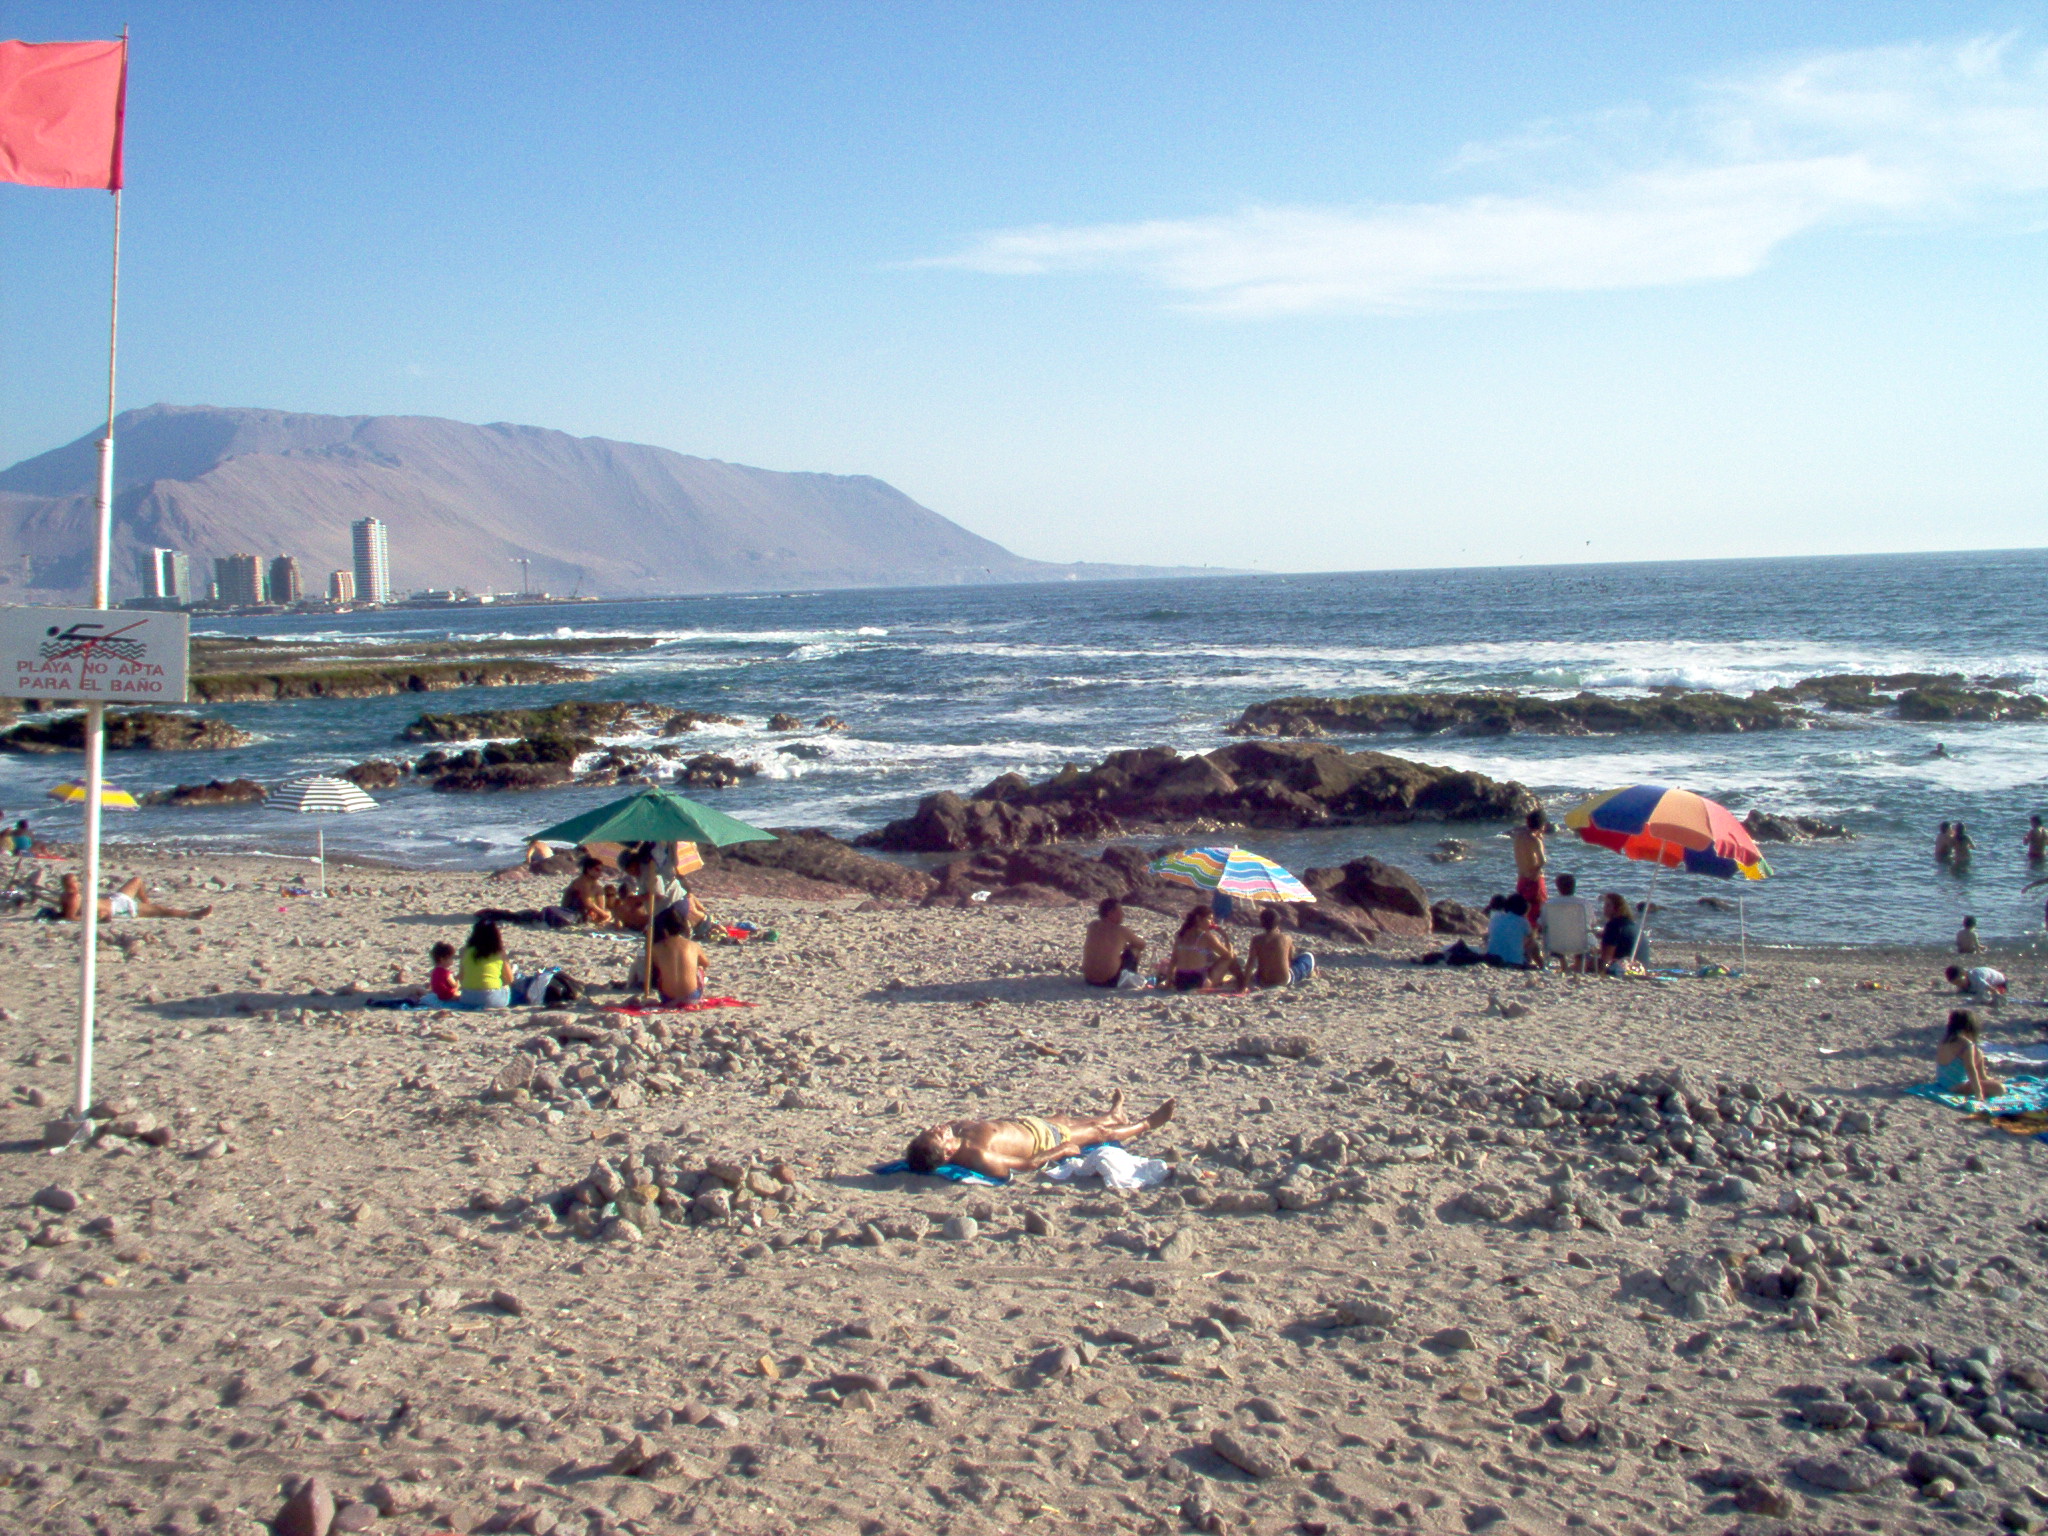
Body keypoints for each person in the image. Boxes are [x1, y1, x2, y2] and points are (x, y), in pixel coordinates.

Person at [904, 1089, 1176, 1180]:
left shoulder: (958, 1133)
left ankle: (1113, 1115)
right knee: (1097, 1133)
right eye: (937, 1134)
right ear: (949, 1151)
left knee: (1065, 1119)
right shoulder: (978, 1155)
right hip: (1046, 1141)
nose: (937, 1128)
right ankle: (1147, 1124)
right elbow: (1026, 1164)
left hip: (1028, 1125)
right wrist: (1060, 1151)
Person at [59, 873, 211, 922]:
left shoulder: (69, 896)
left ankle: (146, 905)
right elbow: (70, 917)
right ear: (69, 884)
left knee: (137, 881)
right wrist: (96, 919)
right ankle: (192, 914)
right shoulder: (73, 897)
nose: (78, 883)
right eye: (75, 881)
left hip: (114, 900)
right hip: (118, 908)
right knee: (161, 910)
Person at [1162, 906, 1245, 992]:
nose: (1212, 922)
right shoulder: (1206, 936)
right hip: (1198, 983)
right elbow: (1228, 956)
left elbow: (1173, 961)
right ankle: (1242, 983)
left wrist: (1168, 983)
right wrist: (1226, 937)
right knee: (1231, 956)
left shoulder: (1181, 935)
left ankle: (1241, 981)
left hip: (1180, 983)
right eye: (1209, 919)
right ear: (1198, 918)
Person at [1933, 1009, 2003, 1101]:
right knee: (1999, 1088)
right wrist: (1978, 1092)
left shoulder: (1944, 1041)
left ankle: (1986, 1079)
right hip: (1957, 1086)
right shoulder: (1966, 1044)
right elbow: (1970, 1068)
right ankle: (1985, 1081)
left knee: (1978, 1053)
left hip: (1943, 1082)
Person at [648, 904, 709, 1004]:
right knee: (700, 969)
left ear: (665, 930)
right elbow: (706, 963)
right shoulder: (693, 945)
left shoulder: (656, 948)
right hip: (692, 997)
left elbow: (655, 966)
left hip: (667, 998)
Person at [1083, 898, 1147, 988]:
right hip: (1109, 981)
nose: (1123, 915)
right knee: (1135, 950)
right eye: (1120, 911)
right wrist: (1129, 945)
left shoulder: (1092, 925)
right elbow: (1142, 945)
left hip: (1088, 979)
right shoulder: (1121, 930)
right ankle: (1130, 977)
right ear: (1110, 914)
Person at [1538, 871, 1594, 972]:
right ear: (1574, 886)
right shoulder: (1584, 904)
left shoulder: (1549, 904)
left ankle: (1563, 962)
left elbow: (1541, 924)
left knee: (1554, 933)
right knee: (1585, 934)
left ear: (1558, 887)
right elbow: (1591, 923)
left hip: (1555, 943)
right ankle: (1579, 966)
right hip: (1580, 944)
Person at [456, 918, 515, 1009]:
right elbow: (510, 980)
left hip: (467, 998)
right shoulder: (499, 953)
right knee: (508, 987)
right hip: (491, 999)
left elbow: (461, 977)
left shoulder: (466, 951)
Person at [1249, 907, 1315, 987]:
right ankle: (1312, 973)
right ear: (1278, 923)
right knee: (1308, 956)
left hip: (1262, 981)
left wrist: (1243, 983)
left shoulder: (1256, 940)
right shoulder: (1286, 938)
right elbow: (1290, 960)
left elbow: (1250, 964)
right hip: (1283, 981)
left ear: (1261, 923)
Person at [1511, 809, 1549, 922]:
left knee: (1522, 913)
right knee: (1538, 913)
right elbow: (1543, 861)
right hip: (1534, 880)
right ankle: (1534, 937)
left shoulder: (1518, 837)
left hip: (1522, 878)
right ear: (1541, 824)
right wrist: (1536, 871)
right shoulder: (1535, 840)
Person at [1485, 891, 1538, 968]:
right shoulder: (1522, 921)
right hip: (1514, 961)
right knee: (1533, 944)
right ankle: (1542, 966)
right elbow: (1531, 937)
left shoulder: (1496, 917)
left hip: (1492, 959)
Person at [1598, 892, 1646, 970]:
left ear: (1617, 908)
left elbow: (1606, 959)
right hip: (1642, 967)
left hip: (1626, 968)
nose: (1604, 908)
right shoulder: (1632, 924)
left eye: (1608, 905)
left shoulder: (1613, 925)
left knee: (1583, 959)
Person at [562, 857, 616, 927]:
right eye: (597, 870)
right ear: (588, 870)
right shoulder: (582, 881)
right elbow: (588, 902)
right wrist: (603, 913)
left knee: (600, 889)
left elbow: (592, 900)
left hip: (583, 910)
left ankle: (599, 916)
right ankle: (600, 916)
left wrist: (600, 911)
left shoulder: (593, 881)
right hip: (571, 911)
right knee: (607, 913)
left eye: (601, 870)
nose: (600, 873)